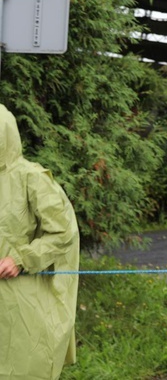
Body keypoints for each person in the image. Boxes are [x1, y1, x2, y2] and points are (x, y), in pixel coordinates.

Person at [0, 104, 80, 379]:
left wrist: (21, 259)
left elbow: (62, 232)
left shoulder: (30, 177)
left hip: (21, 300)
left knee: (21, 367)